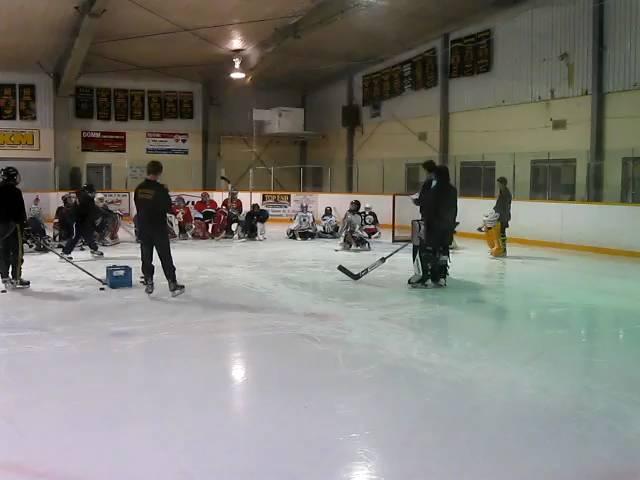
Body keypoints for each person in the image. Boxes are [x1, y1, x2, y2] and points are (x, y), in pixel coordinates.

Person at [134, 160, 184, 296]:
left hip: (143, 227)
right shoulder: (160, 189)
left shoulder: (139, 188)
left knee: (146, 256)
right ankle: (172, 283)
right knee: (165, 256)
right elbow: (167, 206)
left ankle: (149, 282)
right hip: (158, 228)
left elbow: (138, 206)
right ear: (159, 172)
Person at [409, 165, 458, 287]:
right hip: (447, 227)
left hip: (434, 226)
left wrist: (427, 221)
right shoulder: (452, 189)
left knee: (427, 251)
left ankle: (427, 277)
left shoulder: (435, 190)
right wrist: (451, 224)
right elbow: (454, 209)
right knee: (443, 251)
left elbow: (429, 207)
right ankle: (441, 277)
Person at [0, 166, 29, 288]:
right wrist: (25, 226)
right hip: (14, 226)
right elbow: (20, 212)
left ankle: (5, 277)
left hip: (0, 226)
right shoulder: (16, 192)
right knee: (17, 252)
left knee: (3, 251)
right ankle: (16, 278)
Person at [62, 184, 103, 260]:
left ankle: (94, 249)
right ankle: (65, 252)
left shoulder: (85, 197)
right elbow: (90, 210)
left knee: (88, 235)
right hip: (77, 220)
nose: (95, 193)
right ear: (89, 191)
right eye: (93, 191)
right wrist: (98, 215)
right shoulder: (85, 198)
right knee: (75, 236)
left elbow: (90, 211)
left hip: (83, 220)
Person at [493, 176, 512, 257]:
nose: (498, 185)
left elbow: (504, 205)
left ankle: (503, 250)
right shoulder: (502, 191)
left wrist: (497, 211)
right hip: (501, 215)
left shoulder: (506, 193)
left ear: (503, 184)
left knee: (502, 232)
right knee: (500, 232)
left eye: (499, 184)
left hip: (503, 216)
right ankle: (500, 248)